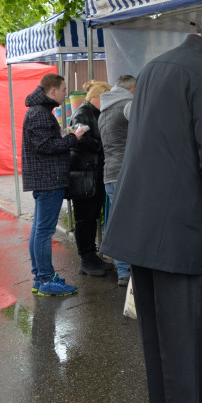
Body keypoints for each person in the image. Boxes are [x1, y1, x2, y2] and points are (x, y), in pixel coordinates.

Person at [100, 21, 202, 403]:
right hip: (180, 231)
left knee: (159, 347)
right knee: (186, 348)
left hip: (141, 224)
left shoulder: (155, 67)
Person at [23, 73, 89, 297]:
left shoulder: (38, 111)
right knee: (43, 231)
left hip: (45, 177)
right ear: (52, 91)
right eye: (63, 90)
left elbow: (45, 143)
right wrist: (74, 138)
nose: (65, 93)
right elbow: (46, 146)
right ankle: (45, 279)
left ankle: (40, 276)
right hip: (48, 178)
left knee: (39, 229)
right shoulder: (40, 113)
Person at [68, 80, 114, 278]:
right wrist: (100, 147)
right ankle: (86, 258)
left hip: (92, 174)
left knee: (91, 217)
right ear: (97, 97)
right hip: (84, 176)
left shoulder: (93, 112)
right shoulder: (83, 113)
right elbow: (78, 140)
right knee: (85, 218)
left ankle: (91, 255)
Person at [97, 74, 136, 287]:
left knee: (117, 221)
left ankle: (123, 271)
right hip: (126, 172)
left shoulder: (103, 111)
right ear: (131, 88)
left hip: (109, 174)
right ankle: (132, 269)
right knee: (131, 221)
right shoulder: (128, 105)